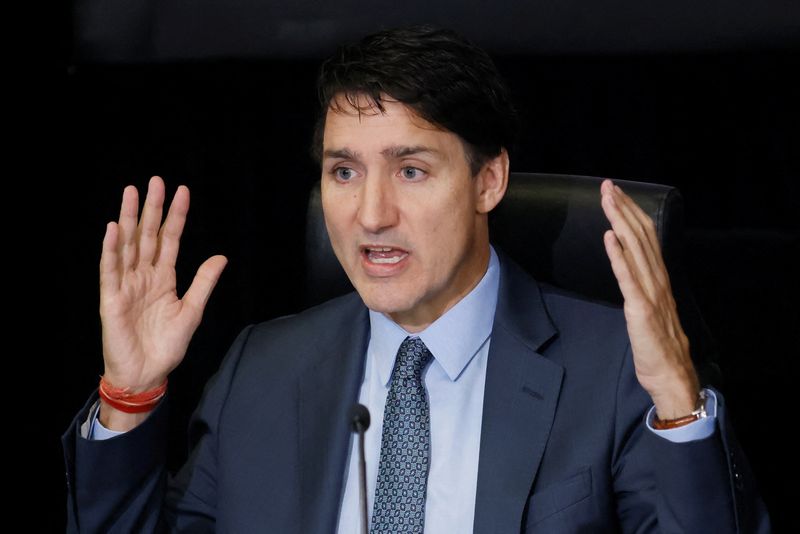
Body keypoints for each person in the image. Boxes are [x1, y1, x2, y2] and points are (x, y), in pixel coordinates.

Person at [63, 25, 770, 533]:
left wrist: (678, 404)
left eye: (410, 170)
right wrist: (128, 398)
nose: (371, 214)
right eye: (344, 172)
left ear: (488, 180)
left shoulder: (614, 369)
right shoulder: (263, 370)